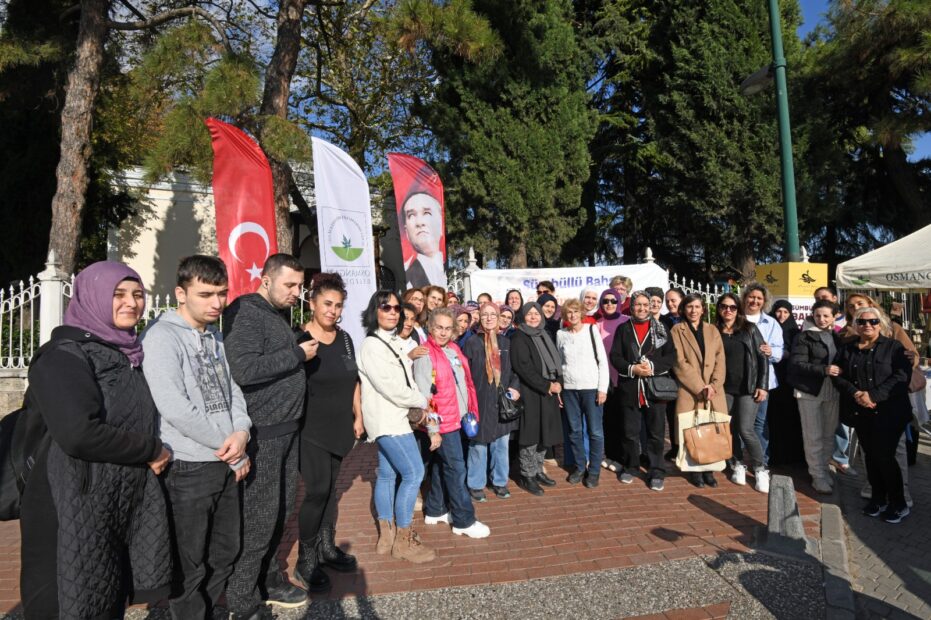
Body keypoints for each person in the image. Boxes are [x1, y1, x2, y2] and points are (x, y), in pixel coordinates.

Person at [21, 262, 172, 620]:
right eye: (118, 294)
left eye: (137, 294)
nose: (131, 303)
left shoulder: (126, 354)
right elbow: (79, 434)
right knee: (64, 601)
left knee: (106, 599)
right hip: (66, 502)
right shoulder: (62, 357)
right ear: (93, 297)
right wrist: (151, 449)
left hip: (112, 504)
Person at [141, 256, 251, 619]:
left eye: (222, 293)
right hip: (188, 466)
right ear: (180, 293)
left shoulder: (214, 336)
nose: (217, 303)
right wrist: (232, 450)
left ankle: (205, 611)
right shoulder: (161, 337)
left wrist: (242, 431)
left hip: (225, 460)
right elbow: (175, 407)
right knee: (189, 564)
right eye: (205, 294)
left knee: (225, 552)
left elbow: (232, 390)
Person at [223, 254, 316, 618]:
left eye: (299, 286)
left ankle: (269, 579)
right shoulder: (246, 312)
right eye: (289, 285)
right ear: (266, 279)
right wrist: (296, 354)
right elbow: (243, 369)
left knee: (279, 512)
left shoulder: (275, 315)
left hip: (286, 430)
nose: (296, 292)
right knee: (259, 519)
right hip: (263, 433)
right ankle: (242, 598)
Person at [293, 273, 364, 593]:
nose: (332, 310)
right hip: (310, 430)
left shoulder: (346, 338)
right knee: (318, 490)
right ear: (312, 303)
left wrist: (358, 414)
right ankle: (305, 560)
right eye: (327, 304)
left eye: (338, 305)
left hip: (340, 428)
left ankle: (325, 547)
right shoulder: (300, 339)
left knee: (330, 490)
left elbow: (353, 379)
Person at [357, 290, 436, 562]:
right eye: (385, 307)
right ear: (374, 311)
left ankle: (387, 536)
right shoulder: (372, 345)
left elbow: (406, 378)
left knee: (388, 475)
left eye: (395, 308)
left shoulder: (391, 341)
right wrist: (421, 401)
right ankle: (404, 540)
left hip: (394, 417)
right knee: (414, 473)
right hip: (388, 420)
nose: (392, 312)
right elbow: (390, 386)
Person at [413, 309, 492, 538]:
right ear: (430, 327)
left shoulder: (453, 349)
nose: (443, 332)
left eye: (448, 328)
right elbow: (426, 396)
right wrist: (433, 430)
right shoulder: (425, 355)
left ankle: (436, 509)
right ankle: (464, 521)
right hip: (441, 423)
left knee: (442, 466)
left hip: (455, 419)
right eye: (439, 327)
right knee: (457, 469)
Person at [834, 307, 912, 523]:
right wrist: (856, 393)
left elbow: (901, 376)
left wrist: (874, 396)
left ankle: (899, 503)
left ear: (881, 324)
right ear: (856, 325)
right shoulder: (847, 349)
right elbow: (837, 375)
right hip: (861, 411)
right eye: (862, 322)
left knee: (885, 456)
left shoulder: (894, 347)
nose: (867, 325)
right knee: (869, 456)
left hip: (889, 412)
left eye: (873, 321)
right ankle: (878, 498)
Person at [610, 292, 676, 491]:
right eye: (638, 304)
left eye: (645, 304)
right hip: (630, 388)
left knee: (656, 433)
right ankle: (631, 466)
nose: (642, 308)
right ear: (632, 307)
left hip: (654, 389)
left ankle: (656, 470)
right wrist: (633, 369)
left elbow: (671, 356)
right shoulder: (623, 329)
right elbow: (615, 356)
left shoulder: (661, 328)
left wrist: (652, 367)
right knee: (630, 432)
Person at [670, 294, 728, 488]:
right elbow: (679, 362)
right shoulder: (677, 330)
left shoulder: (712, 330)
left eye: (697, 307)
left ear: (703, 309)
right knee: (691, 430)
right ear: (683, 309)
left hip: (713, 391)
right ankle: (694, 469)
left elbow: (720, 360)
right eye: (689, 307)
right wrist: (699, 386)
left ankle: (709, 469)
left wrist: (714, 385)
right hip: (690, 390)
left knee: (711, 430)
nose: (693, 311)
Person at [714, 293, 770, 493]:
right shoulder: (714, 330)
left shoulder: (749, 329)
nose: (728, 310)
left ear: (738, 309)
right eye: (724, 306)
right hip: (724, 388)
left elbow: (762, 357)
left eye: (732, 307)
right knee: (728, 428)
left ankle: (760, 468)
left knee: (746, 429)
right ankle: (737, 463)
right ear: (718, 308)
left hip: (748, 387)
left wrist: (762, 385)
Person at [464, 303, 521, 499]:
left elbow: (515, 370)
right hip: (479, 401)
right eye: (484, 315)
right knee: (478, 445)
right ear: (479, 318)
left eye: (493, 315)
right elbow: (465, 375)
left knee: (501, 444)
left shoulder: (506, 342)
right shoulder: (472, 343)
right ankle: (476, 484)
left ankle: (499, 481)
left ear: (498, 318)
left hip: (501, 401)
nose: (489, 318)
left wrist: (514, 387)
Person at [788, 300, 842, 494]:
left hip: (832, 391)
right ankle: (817, 476)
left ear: (834, 317)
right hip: (809, 391)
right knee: (813, 436)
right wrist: (823, 369)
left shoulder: (836, 336)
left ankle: (825, 470)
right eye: (818, 315)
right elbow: (797, 363)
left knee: (828, 434)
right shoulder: (804, 336)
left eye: (826, 315)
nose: (821, 319)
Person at [510, 302, 564, 495]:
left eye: (536, 314)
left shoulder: (544, 334)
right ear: (523, 316)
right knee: (531, 436)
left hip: (549, 394)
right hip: (531, 393)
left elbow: (556, 364)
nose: (533, 317)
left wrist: (558, 384)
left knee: (545, 434)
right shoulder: (519, 337)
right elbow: (523, 367)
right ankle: (527, 475)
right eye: (529, 314)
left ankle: (538, 469)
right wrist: (547, 385)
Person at [558, 299, 609, 487]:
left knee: (595, 431)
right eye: (568, 312)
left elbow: (602, 361)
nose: (572, 315)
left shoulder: (591, 330)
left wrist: (602, 388)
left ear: (581, 313)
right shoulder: (561, 334)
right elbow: (560, 364)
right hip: (569, 390)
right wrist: (560, 388)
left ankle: (594, 470)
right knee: (575, 431)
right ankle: (580, 467)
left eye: (575, 311)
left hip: (591, 389)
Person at [741, 284, 784, 468]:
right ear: (745, 298)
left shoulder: (771, 323)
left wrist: (770, 351)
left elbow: (779, 352)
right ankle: (737, 460)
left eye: (759, 298)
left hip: (763, 380)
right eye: (751, 297)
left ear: (764, 301)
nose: (754, 301)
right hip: (740, 378)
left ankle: (761, 461)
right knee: (739, 422)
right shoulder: (737, 318)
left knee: (759, 423)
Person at [597, 288, 630, 471]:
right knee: (608, 420)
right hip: (605, 380)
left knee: (624, 421)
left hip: (624, 378)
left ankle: (624, 458)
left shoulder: (627, 321)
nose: (609, 304)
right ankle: (611, 455)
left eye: (613, 301)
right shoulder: (597, 325)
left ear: (619, 302)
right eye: (605, 301)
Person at [768, 299, 803, 466]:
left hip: (789, 381)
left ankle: (793, 457)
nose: (781, 315)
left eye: (785, 312)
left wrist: (786, 354)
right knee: (773, 419)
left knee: (790, 418)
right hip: (772, 378)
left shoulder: (795, 332)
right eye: (778, 311)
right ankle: (774, 456)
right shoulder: (768, 328)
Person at [400, 188, 444, 288]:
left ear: (441, 224)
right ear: (406, 231)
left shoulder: (448, 270)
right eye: (411, 215)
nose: (419, 223)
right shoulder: (409, 276)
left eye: (427, 213)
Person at [661, 288, 685, 459]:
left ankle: (687, 445)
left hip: (687, 372)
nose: (670, 303)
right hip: (670, 372)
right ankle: (675, 446)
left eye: (673, 300)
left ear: (682, 300)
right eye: (667, 301)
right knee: (671, 412)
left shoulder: (689, 318)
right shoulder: (664, 320)